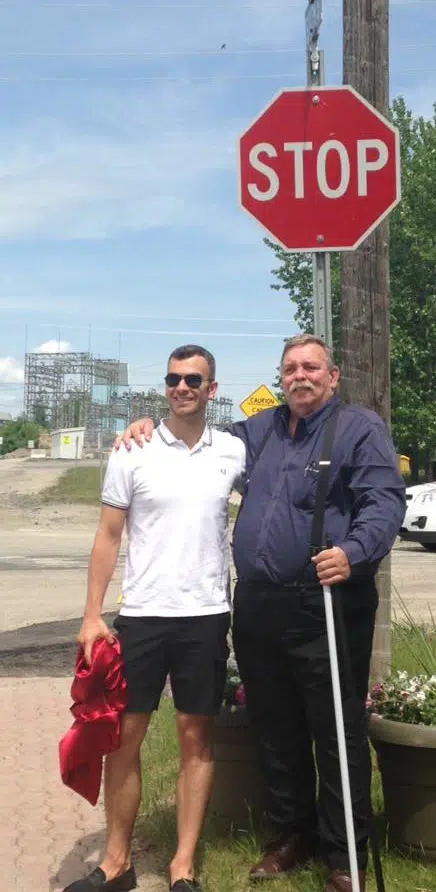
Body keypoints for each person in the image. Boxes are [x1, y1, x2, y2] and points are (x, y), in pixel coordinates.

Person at [120, 334, 406, 892]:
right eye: (290, 368)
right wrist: (145, 427)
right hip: (257, 604)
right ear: (281, 377)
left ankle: (345, 852)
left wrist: (354, 551)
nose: (300, 376)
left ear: (333, 375)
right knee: (274, 726)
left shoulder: (359, 429)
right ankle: (290, 835)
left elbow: (384, 500)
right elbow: (194, 434)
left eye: (311, 367)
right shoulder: (258, 431)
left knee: (334, 729)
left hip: (325, 601)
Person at [64, 345, 245, 892]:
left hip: (206, 616)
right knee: (123, 738)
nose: (182, 387)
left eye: (194, 379)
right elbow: (108, 535)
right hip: (142, 617)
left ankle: (182, 866)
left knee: (196, 737)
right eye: (173, 378)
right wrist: (92, 614)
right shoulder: (132, 449)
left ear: (212, 389)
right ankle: (115, 862)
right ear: (164, 385)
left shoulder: (234, 452)